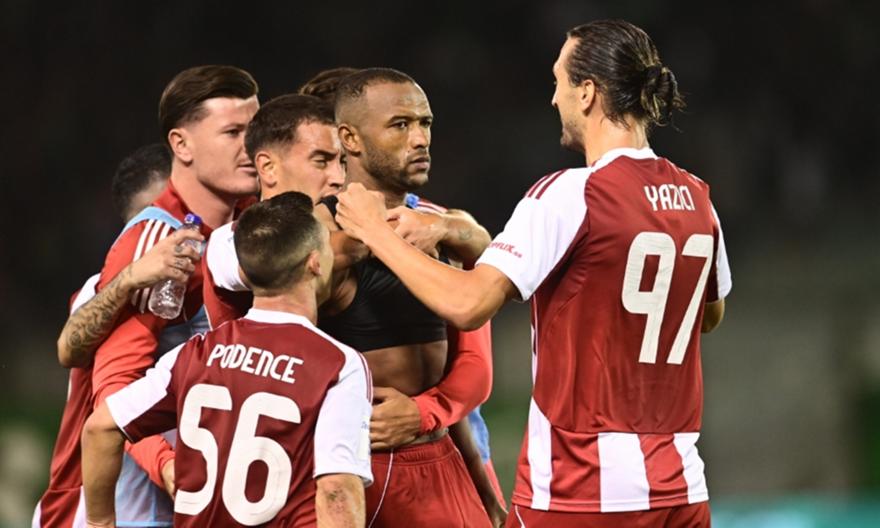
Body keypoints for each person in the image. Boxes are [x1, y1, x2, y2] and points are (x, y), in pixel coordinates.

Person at [336, 20, 732, 528]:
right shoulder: (697, 197)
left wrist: (376, 231)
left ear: (587, 93)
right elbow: (708, 315)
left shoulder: (570, 194)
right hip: (682, 488)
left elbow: (468, 304)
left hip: (580, 490)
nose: (553, 99)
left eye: (558, 81)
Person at [34, 65, 261, 528]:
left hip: (204, 495)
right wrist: (167, 465)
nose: (250, 147)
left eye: (254, 130)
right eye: (233, 132)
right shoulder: (157, 242)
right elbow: (108, 381)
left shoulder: (251, 227)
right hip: (133, 506)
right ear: (182, 145)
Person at [82, 192, 372, 527]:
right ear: (315, 263)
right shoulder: (337, 364)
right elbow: (337, 490)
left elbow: (100, 427)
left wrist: (99, 523)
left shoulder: (194, 353)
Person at [57, 143, 204, 369]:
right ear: (130, 225)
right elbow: (68, 352)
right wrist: (128, 280)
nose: (160, 227)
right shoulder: (96, 293)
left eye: (173, 208)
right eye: (151, 214)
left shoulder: (207, 264)